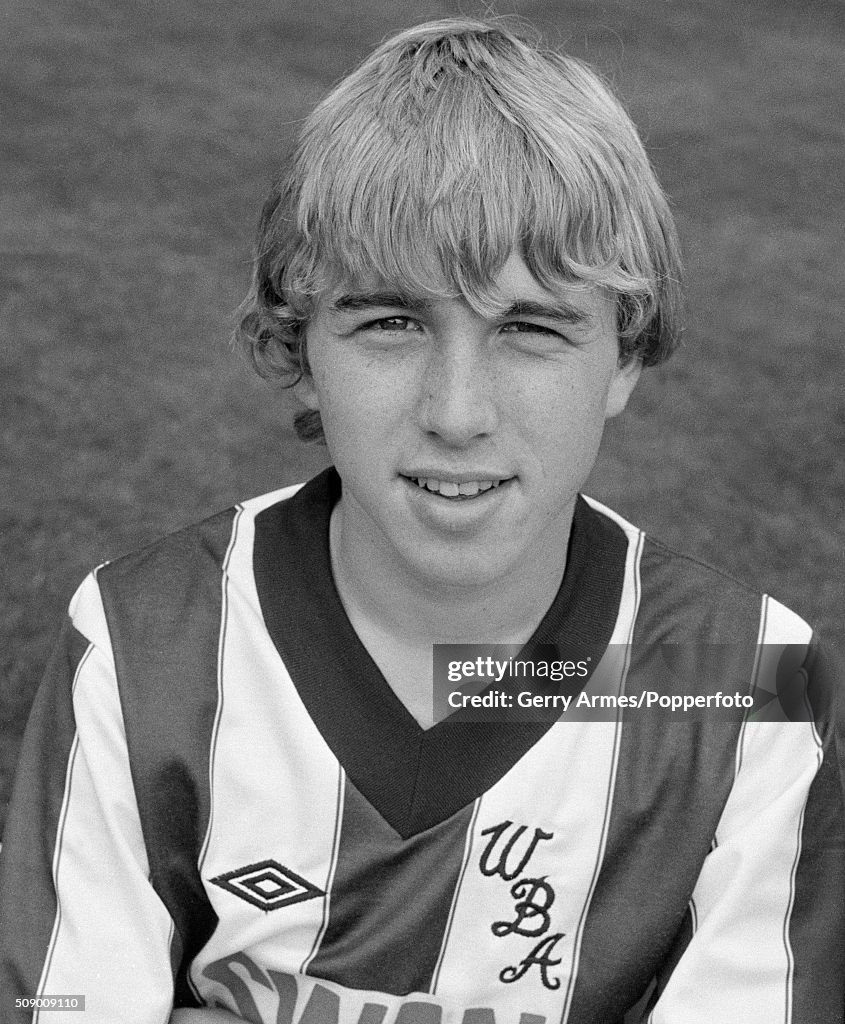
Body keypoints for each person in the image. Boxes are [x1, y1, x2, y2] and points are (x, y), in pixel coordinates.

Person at [1, 17, 842, 1024]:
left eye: (529, 329)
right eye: (389, 323)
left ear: (620, 356)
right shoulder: (146, 644)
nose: (455, 413)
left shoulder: (743, 684)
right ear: (303, 341)